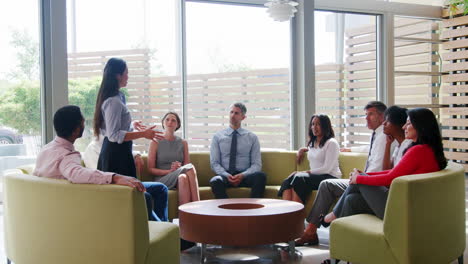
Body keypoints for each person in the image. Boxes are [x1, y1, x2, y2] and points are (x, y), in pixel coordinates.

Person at [33, 105, 168, 222]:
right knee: (145, 196)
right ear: (75, 130)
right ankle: (160, 233)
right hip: (85, 204)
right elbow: (75, 173)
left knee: (159, 189)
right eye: (82, 122)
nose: (84, 125)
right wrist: (115, 177)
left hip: (50, 207)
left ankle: (164, 229)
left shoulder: (46, 149)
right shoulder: (68, 155)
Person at [323, 107, 446, 224]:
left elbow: (391, 177)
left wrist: (359, 178)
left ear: (420, 126)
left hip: (400, 207)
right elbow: (392, 172)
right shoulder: (429, 150)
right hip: (408, 203)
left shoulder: (418, 151)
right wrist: (364, 175)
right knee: (351, 200)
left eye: (408, 123)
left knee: (358, 182)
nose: (404, 127)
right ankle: (342, 234)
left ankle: (333, 216)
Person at [295, 101, 394, 246]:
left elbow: (382, 167)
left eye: (370, 114)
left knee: (328, 184)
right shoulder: (377, 135)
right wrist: (350, 149)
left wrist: (361, 178)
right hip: (364, 181)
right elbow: (369, 148)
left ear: (382, 116)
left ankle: (311, 231)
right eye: (365, 115)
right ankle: (313, 231)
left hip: (371, 184)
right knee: (326, 184)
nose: (366, 118)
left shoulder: (386, 137)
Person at [93, 58, 168, 222]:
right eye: (126, 73)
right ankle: (163, 229)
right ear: (118, 75)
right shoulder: (113, 101)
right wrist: (143, 134)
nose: (128, 76)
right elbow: (113, 135)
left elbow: (113, 126)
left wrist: (131, 125)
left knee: (150, 193)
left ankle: (162, 229)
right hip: (115, 156)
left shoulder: (118, 97)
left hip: (122, 154)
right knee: (137, 198)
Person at [278, 114, 341, 204]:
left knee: (299, 178)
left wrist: (306, 172)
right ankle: (286, 215)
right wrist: (302, 149)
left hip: (330, 177)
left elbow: (326, 169)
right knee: (288, 181)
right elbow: (318, 152)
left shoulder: (331, 143)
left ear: (325, 126)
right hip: (316, 178)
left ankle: (297, 215)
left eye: (318, 124)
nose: (314, 127)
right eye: (312, 124)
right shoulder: (312, 143)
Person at [209, 102, 267, 199]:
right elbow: (214, 163)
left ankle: (253, 210)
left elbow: (256, 165)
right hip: (225, 175)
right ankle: (226, 211)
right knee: (215, 181)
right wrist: (226, 175)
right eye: (231, 112)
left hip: (245, 176)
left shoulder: (252, 137)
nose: (232, 115)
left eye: (236, 113)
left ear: (243, 117)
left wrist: (242, 175)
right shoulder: (217, 137)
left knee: (261, 176)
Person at [147, 111, 200, 205]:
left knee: (183, 177)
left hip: (177, 175)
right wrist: (169, 171)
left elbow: (186, 164)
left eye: (173, 120)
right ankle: (198, 206)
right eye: (167, 119)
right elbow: (150, 169)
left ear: (177, 125)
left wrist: (179, 168)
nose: (170, 122)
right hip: (162, 178)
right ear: (163, 123)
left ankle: (184, 216)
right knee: (190, 168)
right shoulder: (155, 142)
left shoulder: (183, 143)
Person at [381, 106, 412, 170]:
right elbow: (386, 169)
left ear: (399, 124)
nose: (383, 123)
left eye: (388, 121)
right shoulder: (399, 145)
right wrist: (388, 144)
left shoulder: (408, 146)